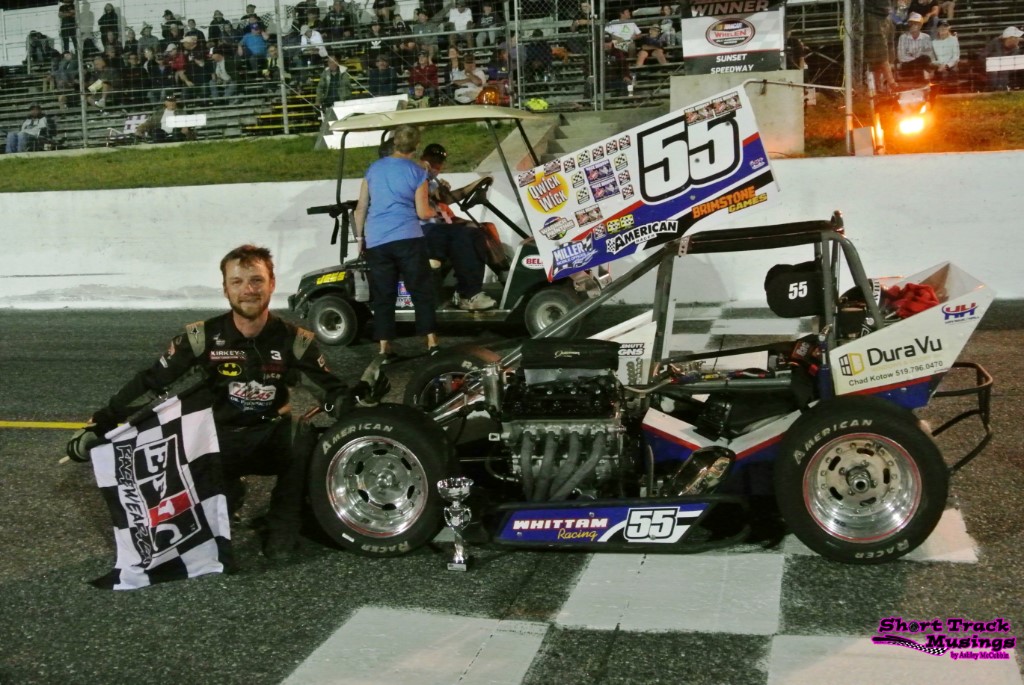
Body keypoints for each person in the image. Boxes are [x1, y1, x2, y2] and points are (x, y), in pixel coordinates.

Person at [71, 245, 352, 560]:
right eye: (237, 282)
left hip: (269, 437)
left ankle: (283, 521)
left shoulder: (296, 340)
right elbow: (151, 382)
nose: (248, 290)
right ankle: (228, 494)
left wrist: (359, 409)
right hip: (214, 442)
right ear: (225, 289)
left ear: (272, 284)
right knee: (203, 543)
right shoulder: (201, 337)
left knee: (304, 436)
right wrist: (103, 422)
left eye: (257, 280)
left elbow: (331, 392)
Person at [352, 125, 439, 360]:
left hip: (377, 239)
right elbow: (423, 212)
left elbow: (361, 208)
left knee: (384, 294)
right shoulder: (417, 172)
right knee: (420, 290)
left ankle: (384, 347)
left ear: (394, 143)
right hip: (408, 237)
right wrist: (436, 211)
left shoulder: (373, 169)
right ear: (416, 146)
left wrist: (360, 238)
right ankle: (431, 342)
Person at [419, 143, 497, 311]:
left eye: (438, 163)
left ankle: (471, 290)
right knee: (465, 235)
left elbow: (449, 197)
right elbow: (426, 202)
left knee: (478, 231)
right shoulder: (416, 178)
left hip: (437, 229)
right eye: (431, 162)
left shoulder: (432, 183)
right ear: (422, 159)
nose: (435, 166)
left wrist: (475, 185)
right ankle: (469, 294)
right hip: (422, 230)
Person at [864, 0, 898, 92]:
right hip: (874, 19)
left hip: (885, 18)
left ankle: (883, 86)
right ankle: (891, 83)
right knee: (880, 56)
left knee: (885, 54)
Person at [981, 26, 1023, 91]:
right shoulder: (995, 42)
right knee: (994, 71)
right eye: (1016, 38)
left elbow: (1013, 65)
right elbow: (982, 56)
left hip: (1005, 70)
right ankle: (992, 90)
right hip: (991, 68)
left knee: (1004, 71)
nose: (1018, 40)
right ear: (1009, 38)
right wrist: (989, 65)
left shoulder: (1016, 49)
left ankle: (1002, 89)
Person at [896, 12, 936, 79]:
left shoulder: (926, 37)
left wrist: (918, 60)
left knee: (925, 59)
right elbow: (901, 57)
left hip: (921, 65)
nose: (913, 26)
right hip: (908, 65)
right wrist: (918, 60)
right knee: (922, 61)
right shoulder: (903, 37)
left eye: (916, 24)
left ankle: (920, 79)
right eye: (911, 24)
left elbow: (929, 55)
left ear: (920, 25)